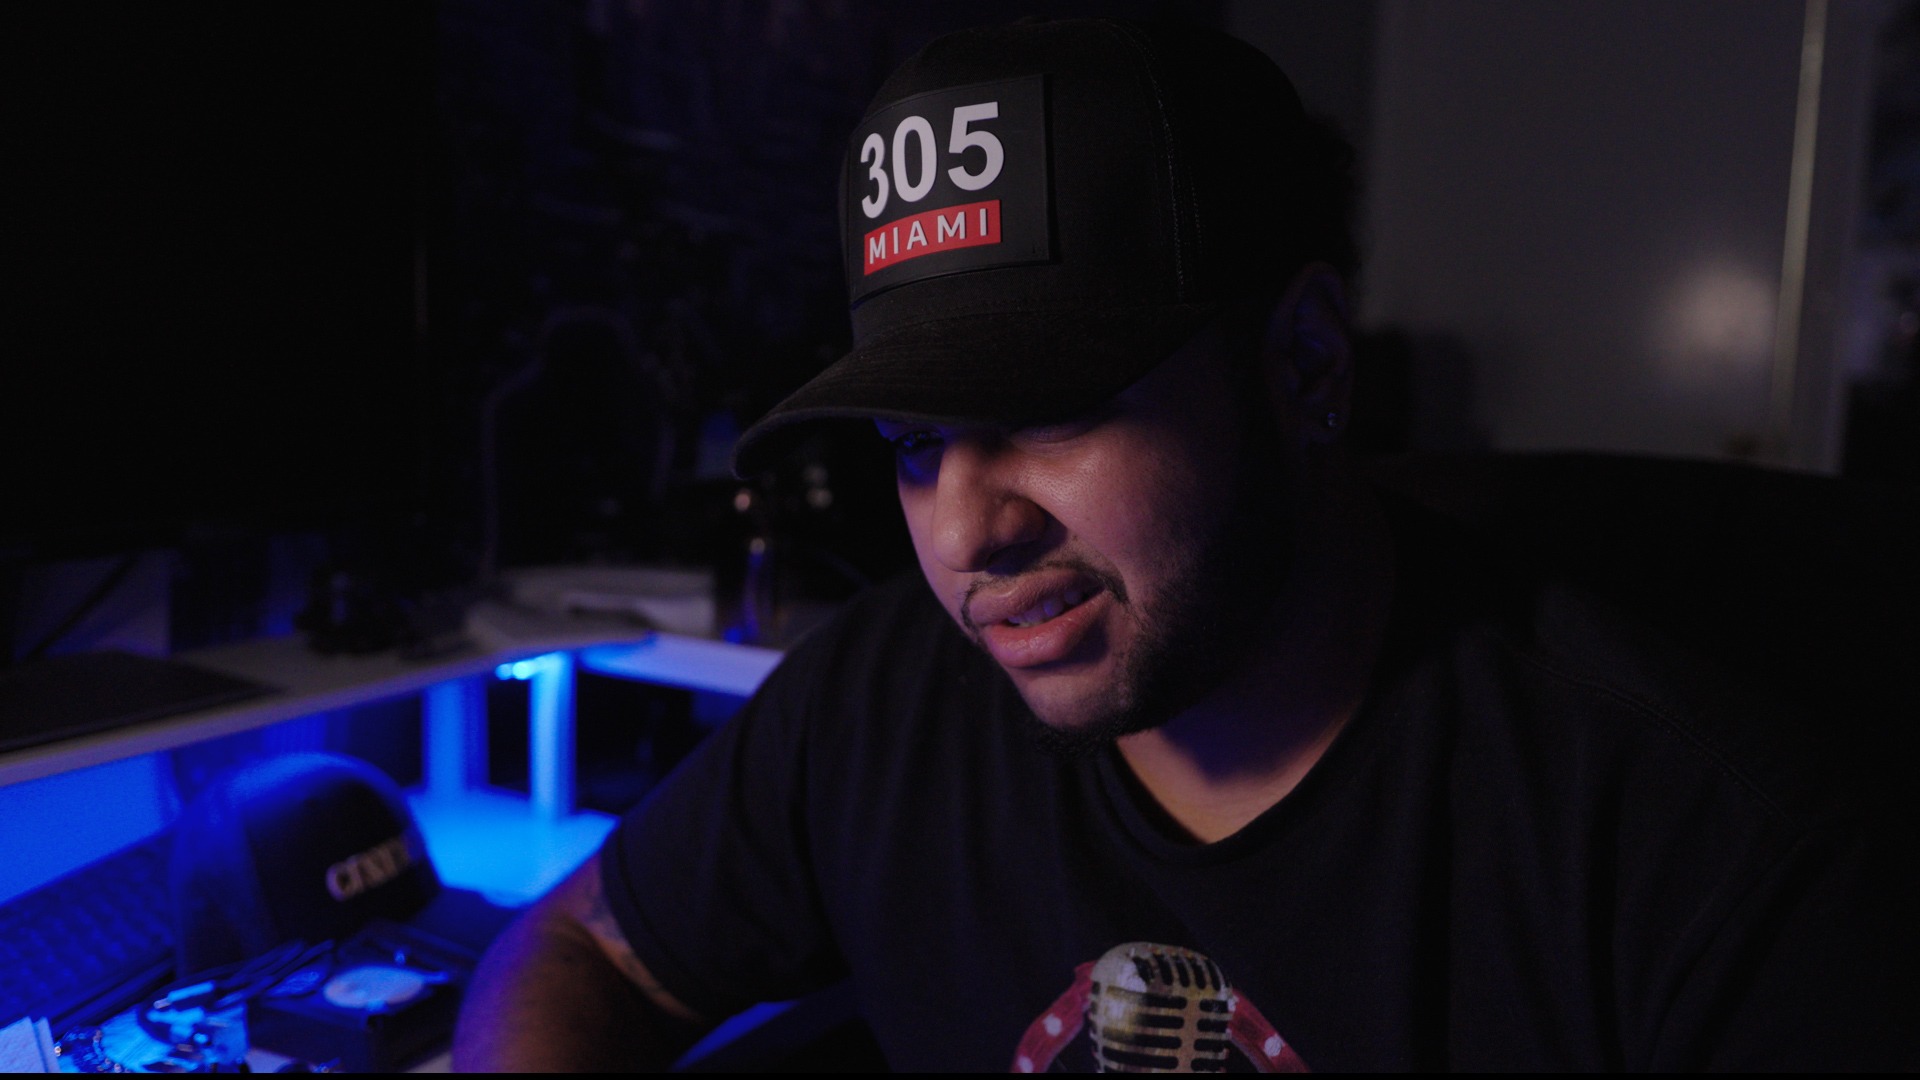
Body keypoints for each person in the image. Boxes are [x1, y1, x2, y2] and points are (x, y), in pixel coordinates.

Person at [451, 16, 1916, 1072]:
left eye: (1048, 412)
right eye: (911, 445)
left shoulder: (1714, 858)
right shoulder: (881, 701)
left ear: (1307, 367)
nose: (967, 534)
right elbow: (584, 949)